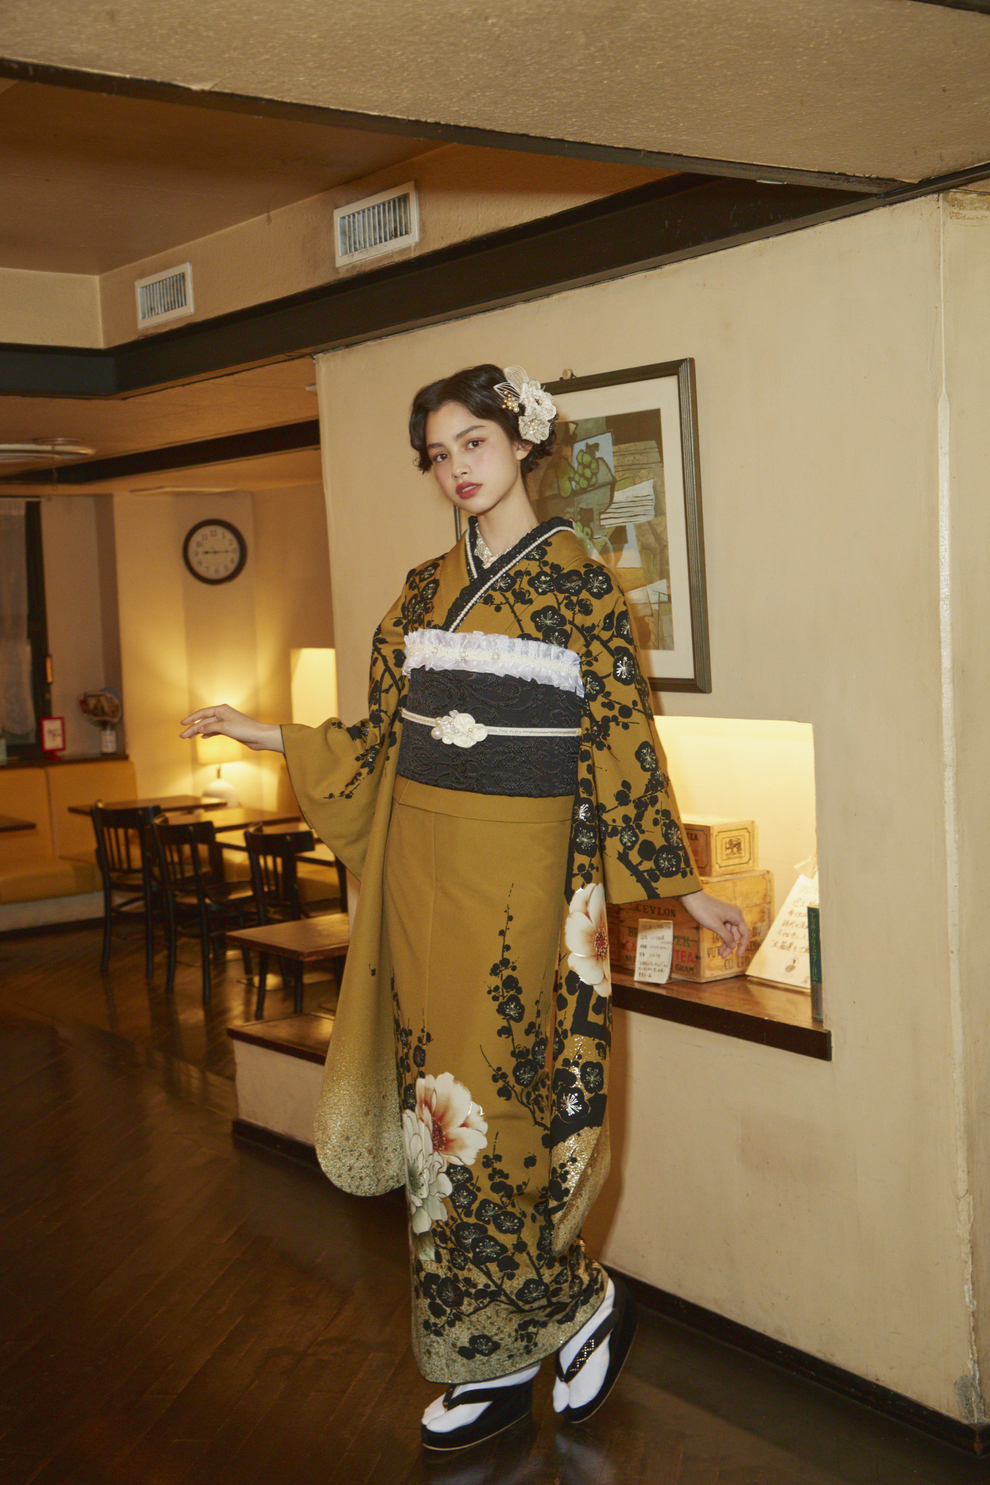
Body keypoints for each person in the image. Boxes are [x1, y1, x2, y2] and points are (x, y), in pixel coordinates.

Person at [181, 362, 749, 1452]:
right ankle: (487, 1358)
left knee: (509, 1115)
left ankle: (576, 1305)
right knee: (438, 1126)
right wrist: (266, 732)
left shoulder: (581, 586)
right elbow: (376, 741)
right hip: (422, 886)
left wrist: (685, 887)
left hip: (526, 887)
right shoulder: (420, 592)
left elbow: (624, 740)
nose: (456, 471)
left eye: (473, 445)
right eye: (438, 457)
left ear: (521, 441)